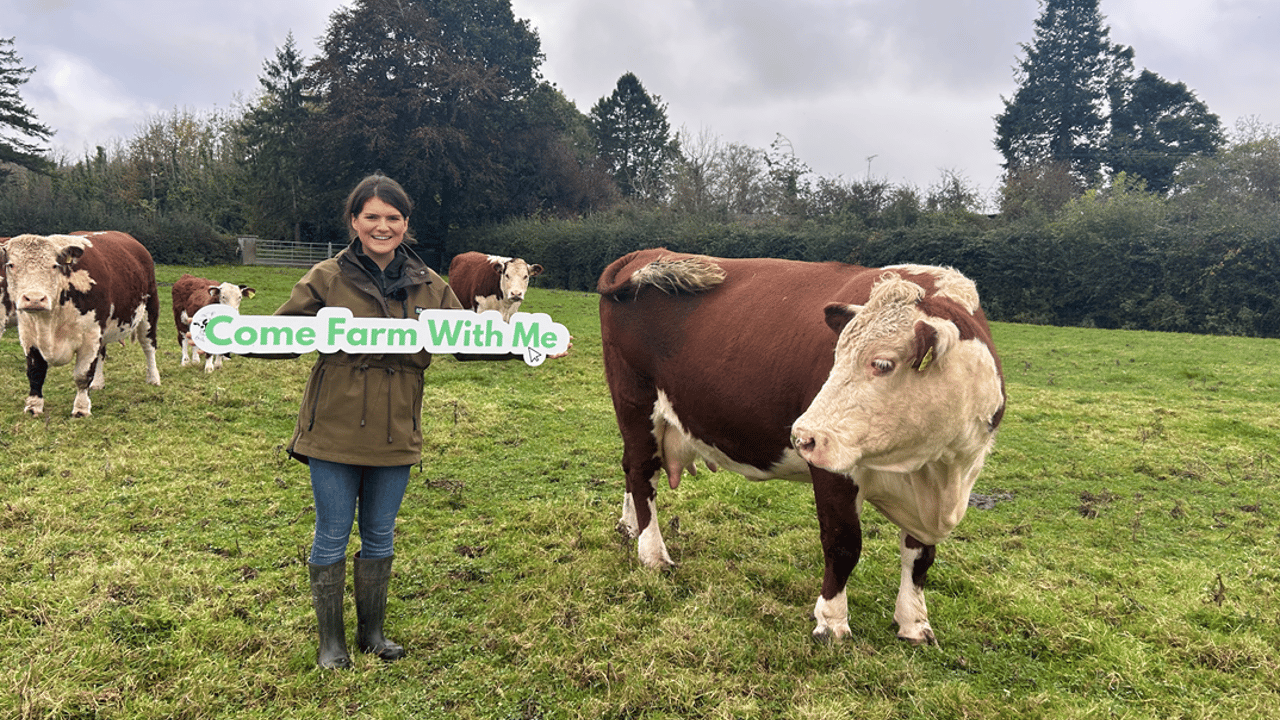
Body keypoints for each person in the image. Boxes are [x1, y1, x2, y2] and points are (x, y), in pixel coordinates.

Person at [272, 174, 464, 669]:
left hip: (395, 426)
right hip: (333, 426)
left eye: (393, 218)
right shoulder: (326, 277)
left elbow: (470, 339)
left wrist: (531, 346)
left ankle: (372, 633)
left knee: (380, 531)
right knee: (332, 532)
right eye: (372, 217)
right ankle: (330, 642)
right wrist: (228, 336)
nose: (383, 226)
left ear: (406, 224)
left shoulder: (429, 284)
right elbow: (280, 333)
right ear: (354, 221)